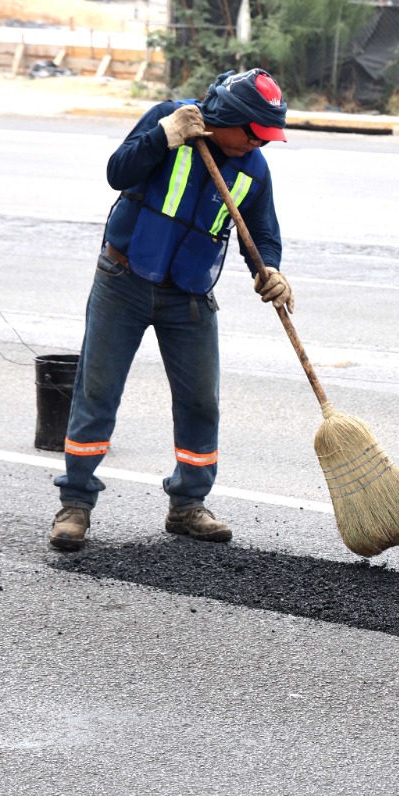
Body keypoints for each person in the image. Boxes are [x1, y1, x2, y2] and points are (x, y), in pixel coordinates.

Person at [48, 69, 293, 550]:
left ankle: (187, 506)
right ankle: (75, 504)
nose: (257, 145)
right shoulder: (172, 120)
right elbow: (118, 172)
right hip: (124, 280)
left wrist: (272, 270)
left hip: (190, 295)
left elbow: (261, 233)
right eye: (253, 133)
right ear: (228, 117)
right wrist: (163, 137)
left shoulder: (254, 168)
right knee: (97, 392)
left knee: (201, 400)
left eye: (266, 138)